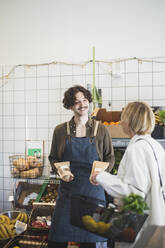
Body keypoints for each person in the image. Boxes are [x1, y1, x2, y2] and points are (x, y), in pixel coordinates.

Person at [48, 85, 115, 248]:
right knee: (56, 240)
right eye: (76, 102)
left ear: (89, 101)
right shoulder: (60, 131)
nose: (82, 105)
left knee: (93, 242)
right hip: (68, 193)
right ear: (70, 106)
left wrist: (101, 175)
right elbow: (54, 157)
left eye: (84, 100)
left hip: (93, 192)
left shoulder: (102, 130)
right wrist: (62, 171)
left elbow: (110, 157)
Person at [90, 101, 165, 247]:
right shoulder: (155, 146)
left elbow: (134, 192)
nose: (120, 122)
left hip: (140, 227)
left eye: (122, 118)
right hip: (157, 219)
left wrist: (101, 176)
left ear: (130, 121)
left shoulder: (136, 149)